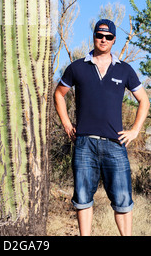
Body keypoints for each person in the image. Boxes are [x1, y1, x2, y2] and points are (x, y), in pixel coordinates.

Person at [54, 19, 150, 236]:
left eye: (108, 37)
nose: (103, 40)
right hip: (84, 143)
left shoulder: (125, 70)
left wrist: (135, 130)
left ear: (114, 40)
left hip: (115, 144)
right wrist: (67, 125)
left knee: (123, 199)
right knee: (83, 198)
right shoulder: (77, 67)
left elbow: (144, 100)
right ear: (94, 36)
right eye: (100, 35)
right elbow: (59, 94)